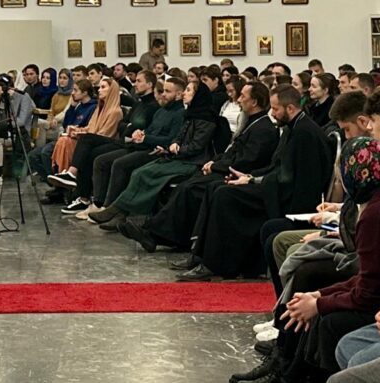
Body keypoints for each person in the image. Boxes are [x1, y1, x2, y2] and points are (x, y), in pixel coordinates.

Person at [239, 137, 380, 383]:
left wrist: (319, 304)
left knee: (329, 320)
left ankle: (293, 372)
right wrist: (319, 296)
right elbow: (371, 276)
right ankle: (287, 365)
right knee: (314, 293)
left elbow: (371, 292)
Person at [178, 85, 332, 281]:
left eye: (275, 109)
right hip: (277, 187)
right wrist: (248, 177)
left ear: (290, 108)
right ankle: (201, 255)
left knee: (225, 195)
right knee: (217, 187)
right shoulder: (294, 127)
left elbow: (291, 178)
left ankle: (216, 264)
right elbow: (277, 167)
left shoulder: (305, 133)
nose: (272, 113)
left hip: (287, 197)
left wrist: (254, 180)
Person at [118, 81, 277, 253]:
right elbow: (231, 151)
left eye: (243, 96)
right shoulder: (252, 122)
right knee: (186, 186)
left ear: (254, 102)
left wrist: (216, 165)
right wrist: (214, 162)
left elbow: (247, 160)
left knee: (190, 188)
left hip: (237, 174)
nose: (238, 99)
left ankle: (154, 232)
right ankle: (156, 232)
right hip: (224, 167)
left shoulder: (263, 128)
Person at [93, 80, 216, 222]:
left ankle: (124, 213)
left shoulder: (206, 119)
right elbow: (178, 137)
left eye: (188, 90)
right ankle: (120, 213)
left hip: (192, 162)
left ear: (198, 95)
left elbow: (196, 146)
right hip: (177, 156)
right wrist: (173, 144)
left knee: (143, 173)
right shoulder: (190, 115)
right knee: (139, 172)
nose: (184, 93)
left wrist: (176, 149)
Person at [53, 69, 161, 215]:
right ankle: (83, 197)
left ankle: (93, 198)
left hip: (130, 144)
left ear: (149, 84)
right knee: (87, 148)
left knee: (91, 148)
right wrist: (130, 127)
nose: (135, 84)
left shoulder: (152, 106)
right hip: (124, 141)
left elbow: (125, 128)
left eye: (139, 81)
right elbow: (122, 126)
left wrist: (130, 127)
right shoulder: (136, 104)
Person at [49, 76, 123, 176]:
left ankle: (70, 173)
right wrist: (76, 130)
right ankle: (63, 173)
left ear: (112, 90)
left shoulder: (115, 111)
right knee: (64, 140)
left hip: (105, 142)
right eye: (99, 87)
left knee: (67, 142)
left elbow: (105, 134)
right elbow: (90, 128)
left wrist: (79, 134)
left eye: (103, 87)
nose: (99, 90)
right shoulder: (99, 108)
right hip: (91, 139)